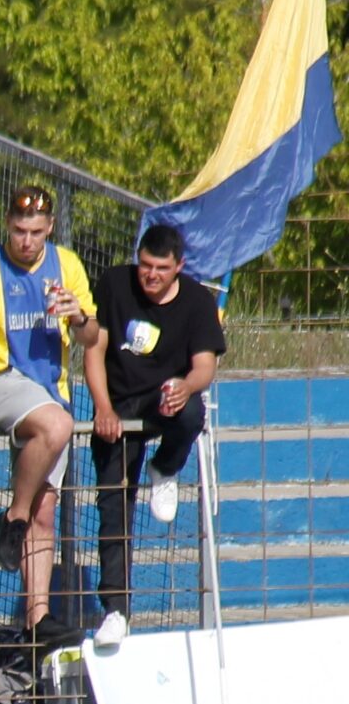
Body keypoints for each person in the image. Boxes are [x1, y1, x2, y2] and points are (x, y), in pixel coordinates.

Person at [0, 184, 101, 643]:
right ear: (7, 225)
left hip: (49, 388)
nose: (27, 241)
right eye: (19, 230)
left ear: (49, 228)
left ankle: (37, 619)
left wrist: (78, 317)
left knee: (46, 510)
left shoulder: (67, 265)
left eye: (36, 232)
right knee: (57, 426)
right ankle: (11, 517)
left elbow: (91, 337)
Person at [88, 224, 225, 648]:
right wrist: (103, 408)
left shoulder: (199, 300)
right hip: (118, 402)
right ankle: (115, 609)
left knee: (190, 413)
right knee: (113, 505)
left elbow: (205, 366)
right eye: (145, 265)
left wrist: (185, 385)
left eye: (161, 269)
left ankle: (165, 467)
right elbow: (93, 349)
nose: (150, 275)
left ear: (179, 267)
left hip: (166, 395)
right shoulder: (113, 283)